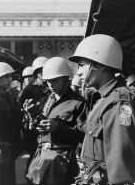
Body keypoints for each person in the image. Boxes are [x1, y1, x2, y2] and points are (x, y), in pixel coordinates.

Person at [68, 34, 135, 184]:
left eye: (82, 65)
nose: (78, 72)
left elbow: (121, 166)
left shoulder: (119, 103)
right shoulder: (103, 99)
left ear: (100, 64)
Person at [27, 57, 87, 185]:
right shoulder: (49, 99)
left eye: (55, 81)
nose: (51, 85)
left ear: (66, 79)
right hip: (42, 156)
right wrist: (37, 124)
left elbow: (83, 135)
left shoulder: (78, 103)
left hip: (62, 163)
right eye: (48, 81)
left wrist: (57, 128)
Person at [17, 56, 50, 177]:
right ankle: (30, 178)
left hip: (46, 127)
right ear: (37, 73)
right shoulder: (29, 89)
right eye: (42, 71)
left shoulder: (49, 87)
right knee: (34, 156)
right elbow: (19, 107)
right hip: (32, 131)